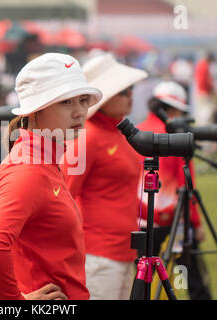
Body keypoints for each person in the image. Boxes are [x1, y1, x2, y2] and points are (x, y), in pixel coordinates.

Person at [0, 53, 102, 300]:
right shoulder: (28, 170)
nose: (79, 112)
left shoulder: (44, 161)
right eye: (65, 102)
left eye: (83, 100)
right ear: (34, 112)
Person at [60, 52, 148, 300]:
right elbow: (65, 195)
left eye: (130, 89)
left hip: (124, 252)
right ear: (103, 98)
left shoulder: (121, 132)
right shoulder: (87, 137)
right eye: (123, 91)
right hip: (98, 256)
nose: (130, 95)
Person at [138, 81, 212, 300]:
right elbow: (187, 183)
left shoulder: (138, 132)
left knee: (146, 280)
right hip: (177, 220)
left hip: (143, 220)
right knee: (190, 276)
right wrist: (196, 223)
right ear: (170, 109)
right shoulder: (175, 137)